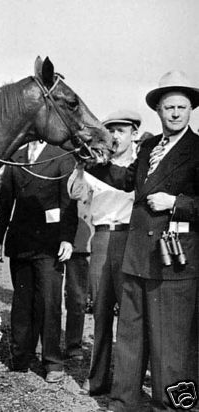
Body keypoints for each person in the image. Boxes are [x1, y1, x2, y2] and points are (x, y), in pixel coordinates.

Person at [88, 71, 199, 411]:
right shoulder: (149, 146)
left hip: (174, 261)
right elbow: (124, 179)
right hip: (137, 256)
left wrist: (177, 203)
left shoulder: (197, 149)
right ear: (159, 111)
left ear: (191, 110)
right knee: (131, 336)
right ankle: (125, 402)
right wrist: (90, 161)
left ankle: (178, 406)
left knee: (172, 344)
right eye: (169, 107)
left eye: (182, 107)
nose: (176, 113)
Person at [0, 141, 77, 383]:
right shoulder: (15, 156)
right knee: (21, 302)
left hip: (50, 243)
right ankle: (20, 356)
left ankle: (52, 362)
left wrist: (67, 239)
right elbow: (5, 200)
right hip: (20, 241)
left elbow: (68, 202)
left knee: (49, 302)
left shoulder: (62, 157)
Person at [69, 110, 140, 396]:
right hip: (101, 239)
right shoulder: (99, 165)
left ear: (134, 133)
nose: (115, 137)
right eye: (111, 131)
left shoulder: (142, 165)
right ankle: (97, 379)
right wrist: (79, 166)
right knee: (100, 312)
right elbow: (75, 193)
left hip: (131, 239)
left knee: (130, 315)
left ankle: (126, 382)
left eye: (121, 131)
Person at [64, 192, 92, 362]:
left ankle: (73, 345)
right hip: (64, 241)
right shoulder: (69, 170)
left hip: (86, 242)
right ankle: (43, 342)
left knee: (78, 298)